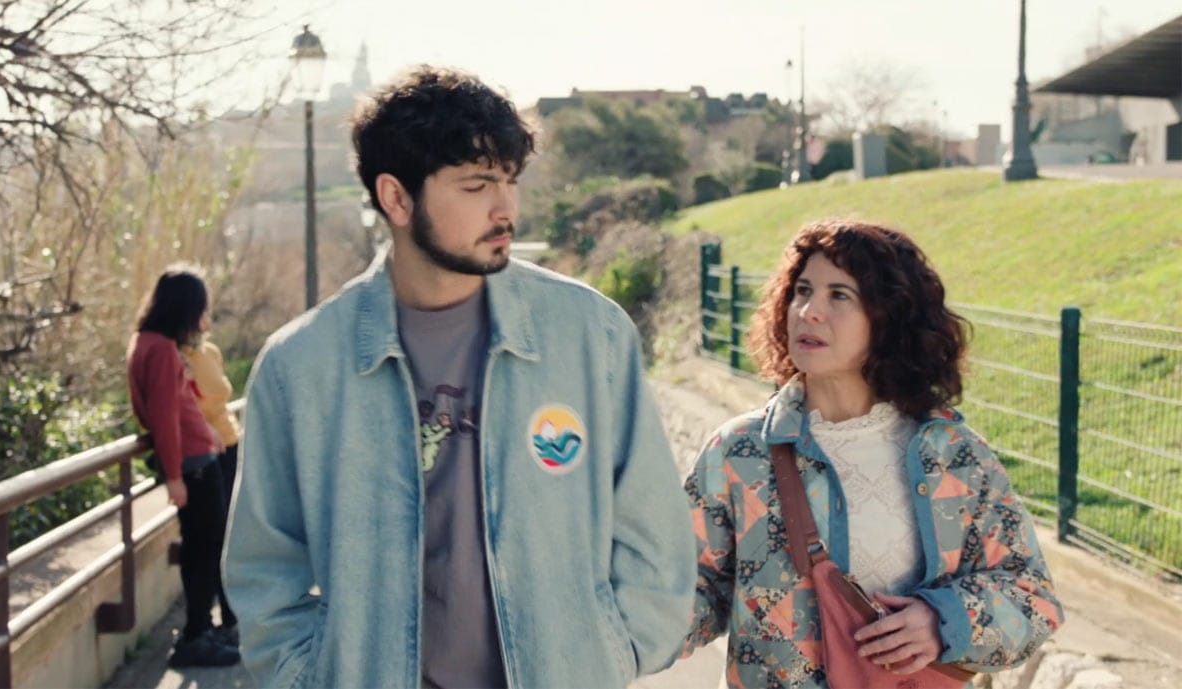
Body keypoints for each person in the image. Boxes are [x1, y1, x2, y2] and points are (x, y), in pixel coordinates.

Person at [223, 66, 695, 689]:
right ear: (396, 199)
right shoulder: (300, 367)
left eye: (510, 181)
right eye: (477, 185)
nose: (506, 208)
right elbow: (264, 567)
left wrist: (615, 653)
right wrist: (304, 676)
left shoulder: (590, 335)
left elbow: (655, 531)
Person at [681, 221, 1063, 688]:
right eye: (803, 291)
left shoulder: (953, 458)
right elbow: (689, 591)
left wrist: (941, 622)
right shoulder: (740, 453)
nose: (809, 312)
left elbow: (1032, 597)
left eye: (839, 295)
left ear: (888, 319)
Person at [127, 266, 240, 668]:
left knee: (203, 546)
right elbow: (164, 417)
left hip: (196, 457)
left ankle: (202, 631)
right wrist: (174, 476)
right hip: (194, 465)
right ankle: (196, 636)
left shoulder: (147, 342)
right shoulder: (159, 349)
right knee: (206, 548)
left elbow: (174, 407)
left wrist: (203, 434)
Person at [182, 321, 241, 646]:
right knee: (214, 537)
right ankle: (212, 622)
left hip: (231, 445)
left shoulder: (210, 352)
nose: (205, 318)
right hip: (206, 453)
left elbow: (220, 399)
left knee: (234, 532)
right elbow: (187, 407)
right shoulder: (178, 357)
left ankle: (233, 616)